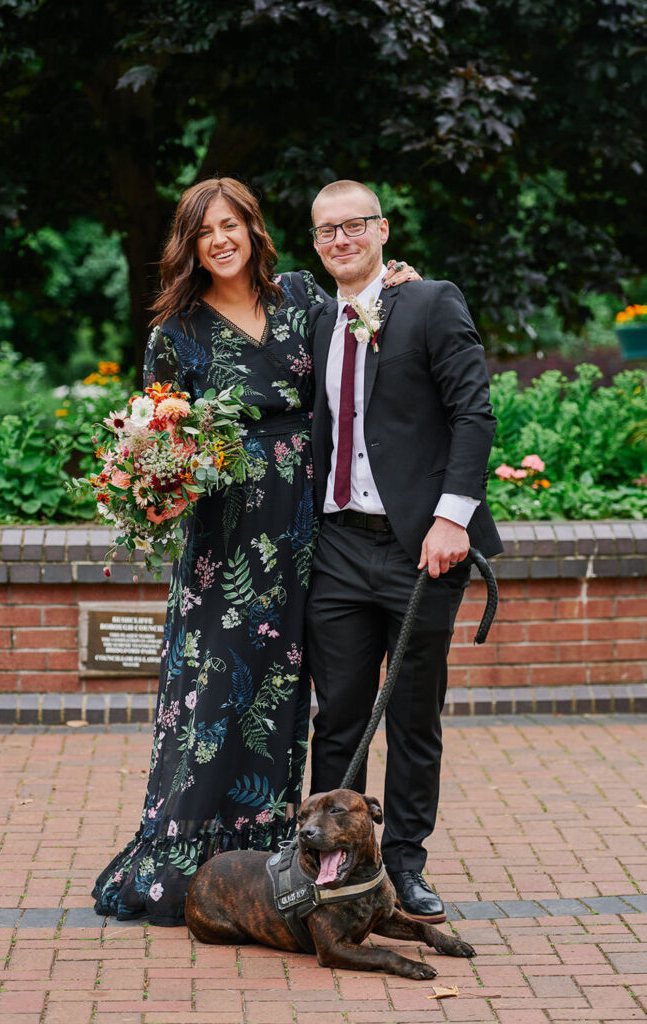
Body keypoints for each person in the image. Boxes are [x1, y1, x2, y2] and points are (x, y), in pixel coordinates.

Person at [92, 177, 415, 925]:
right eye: (205, 231)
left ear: (252, 230)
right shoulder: (175, 333)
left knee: (282, 696)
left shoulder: (299, 297)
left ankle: (272, 860)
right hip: (224, 547)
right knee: (214, 697)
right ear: (190, 245)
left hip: (308, 534)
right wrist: (154, 486)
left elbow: (363, 321)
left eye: (231, 225)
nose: (220, 240)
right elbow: (158, 441)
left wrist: (396, 281)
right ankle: (191, 862)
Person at [306, 179, 502, 924]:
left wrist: (452, 519)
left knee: (413, 717)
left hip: (422, 548)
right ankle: (331, 867)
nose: (341, 240)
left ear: (382, 229)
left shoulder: (429, 302)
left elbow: (472, 413)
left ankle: (406, 864)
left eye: (354, 225)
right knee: (339, 717)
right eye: (327, 231)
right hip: (337, 546)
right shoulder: (315, 318)